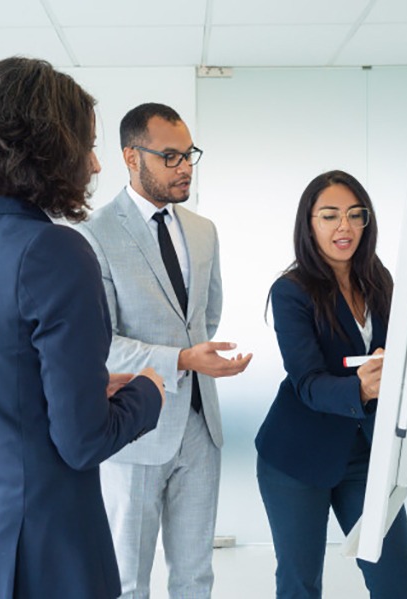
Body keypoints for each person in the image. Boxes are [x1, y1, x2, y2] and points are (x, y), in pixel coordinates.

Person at [0, 57, 165, 599]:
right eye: (87, 144)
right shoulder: (54, 251)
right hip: (40, 551)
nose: (96, 165)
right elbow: (82, 442)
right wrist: (149, 392)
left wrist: (87, 390)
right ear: (48, 147)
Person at [77, 102, 252, 598]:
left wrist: (197, 358)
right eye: (170, 157)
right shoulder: (93, 234)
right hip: (135, 428)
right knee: (128, 578)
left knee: (196, 574)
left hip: (200, 424)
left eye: (189, 155)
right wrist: (181, 359)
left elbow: (204, 317)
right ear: (132, 157)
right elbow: (100, 344)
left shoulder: (202, 231)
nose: (185, 167)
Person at [255, 170, 407, 598]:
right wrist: (361, 388)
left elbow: (394, 349)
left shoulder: (377, 279)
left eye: (354, 215)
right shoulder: (290, 291)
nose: (343, 227)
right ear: (309, 225)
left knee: (396, 583)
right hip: (296, 458)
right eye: (329, 216)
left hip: (365, 454)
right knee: (301, 584)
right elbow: (307, 381)